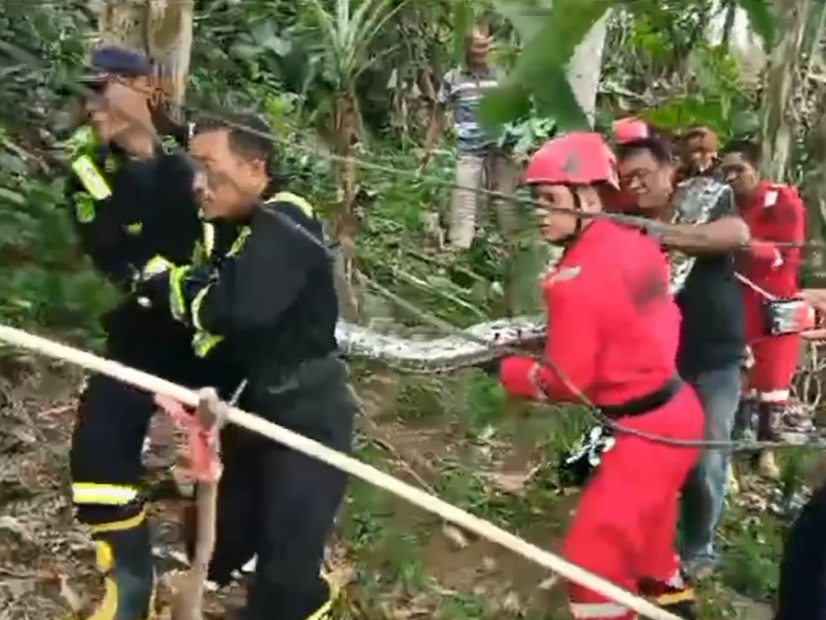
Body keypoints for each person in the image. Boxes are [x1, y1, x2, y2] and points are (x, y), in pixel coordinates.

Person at [138, 114, 356, 620]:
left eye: (210, 169)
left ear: (255, 168)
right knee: (222, 539)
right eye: (194, 169)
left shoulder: (286, 221)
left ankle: (307, 600)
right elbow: (211, 310)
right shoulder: (230, 227)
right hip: (254, 406)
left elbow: (234, 310)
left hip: (306, 416)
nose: (198, 184)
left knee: (286, 574)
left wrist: (179, 292)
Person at [496, 132, 703, 620]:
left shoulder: (575, 280)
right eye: (536, 201)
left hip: (643, 433)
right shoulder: (634, 240)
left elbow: (565, 383)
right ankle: (674, 604)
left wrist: (509, 370)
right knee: (650, 540)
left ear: (587, 197)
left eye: (550, 199)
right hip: (678, 412)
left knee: (593, 567)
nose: (541, 212)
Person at [64, 46, 212, 620]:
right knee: (97, 453)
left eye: (103, 89)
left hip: (217, 337)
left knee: (261, 456)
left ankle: (290, 577)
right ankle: (130, 583)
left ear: (141, 89)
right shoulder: (88, 171)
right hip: (145, 332)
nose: (92, 104)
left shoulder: (199, 159)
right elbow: (117, 257)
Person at [616, 137, 750, 577]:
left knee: (707, 457)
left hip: (714, 356)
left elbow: (735, 234)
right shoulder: (624, 224)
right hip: (659, 361)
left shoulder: (706, 199)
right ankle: (645, 542)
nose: (636, 185)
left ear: (670, 168)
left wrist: (666, 236)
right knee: (653, 452)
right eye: (627, 179)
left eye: (644, 175)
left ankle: (699, 548)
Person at [721, 139, 807, 480]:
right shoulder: (724, 204)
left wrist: (742, 243)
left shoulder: (782, 200)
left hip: (775, 301)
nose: (731, 177)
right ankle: (731, 448)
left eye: (738, 170)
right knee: (737, 376)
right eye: (725, 171)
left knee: (773, 379)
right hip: (735, 300)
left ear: (757, 169)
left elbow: (788, 251)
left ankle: (765, 451)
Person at [422, 24, 518, 251]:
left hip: (500, 147)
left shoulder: (500, 75)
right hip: (469, 149)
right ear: (467, 48)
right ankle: (460, 248)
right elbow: (438, 113)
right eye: (477, 47)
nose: (482, 52)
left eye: (485, 46)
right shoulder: (453, 78)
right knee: (464, 198)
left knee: (505, 200)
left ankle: (514, 249)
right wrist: (427, 147)